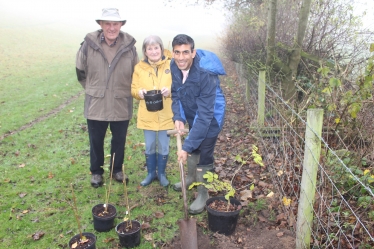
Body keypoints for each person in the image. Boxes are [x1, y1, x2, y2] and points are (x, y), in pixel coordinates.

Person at [75, 8, 139, 188]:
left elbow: (137, 74)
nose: (112, 28)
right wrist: (93, 88)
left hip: (121, 101)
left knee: (119, 139)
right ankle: (96, 172)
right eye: (108, 24)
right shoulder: (88, 44)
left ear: (121, 25)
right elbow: (80, 71)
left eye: (115, 24)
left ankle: (116, 169)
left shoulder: (130, 47)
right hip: (97, 102)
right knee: (96, 140)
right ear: (101, 25)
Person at [170, 34, 226, 214]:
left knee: (204, 154)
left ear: (193, 53)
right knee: (194, 146)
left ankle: (203, 193)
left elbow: (205, 116)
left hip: (211, 117)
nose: (181, 57)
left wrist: (185, 148)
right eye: (177, 52)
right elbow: (176, 93)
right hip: (192, 112)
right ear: (172, 53)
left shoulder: (205, 75)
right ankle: (190, 178)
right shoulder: (174, 66)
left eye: (185, 52)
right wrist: (178, 117)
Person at [131, 35, 174, 187]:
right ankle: (150, 174)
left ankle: (161, 174)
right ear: (145, 51)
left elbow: (180, 86)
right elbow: (133, 89)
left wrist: (170, 91)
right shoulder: (139, 68)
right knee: (149, 145)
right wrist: (139, 93)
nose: (154, 51)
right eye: (150, 48)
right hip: (147, 115)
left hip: (167, 114)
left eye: (156, 47)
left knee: (163, 145)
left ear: (161, 49)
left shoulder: (172, 64)